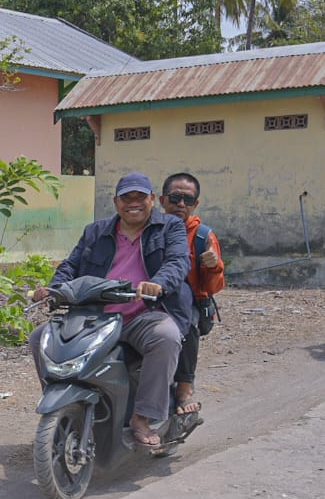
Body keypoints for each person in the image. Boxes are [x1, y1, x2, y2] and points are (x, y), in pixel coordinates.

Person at [31, 172, 192, 447]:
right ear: (116, 202)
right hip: (96, 316)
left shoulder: (170, 228)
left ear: (152, 199)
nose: (133, 203)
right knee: (41, 337)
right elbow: (71, 265)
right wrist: (53, 288)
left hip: (142, 314)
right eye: (126, 198)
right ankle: (62, 406)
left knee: (166, 337)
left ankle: (143, 416)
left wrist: (157, 284)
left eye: (140, 197)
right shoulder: (96, 231)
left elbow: (178, 262)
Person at [159, 172, 225, 416]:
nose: (181, 204)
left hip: (192, 303)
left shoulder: (202, 236)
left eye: (188, 200)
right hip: (153, 299)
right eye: (175, 198)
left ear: (195, 204)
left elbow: (214, 287)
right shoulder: (151, 230)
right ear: (162, 200)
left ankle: (185, 385)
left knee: (186, 328)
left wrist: (213, 264)